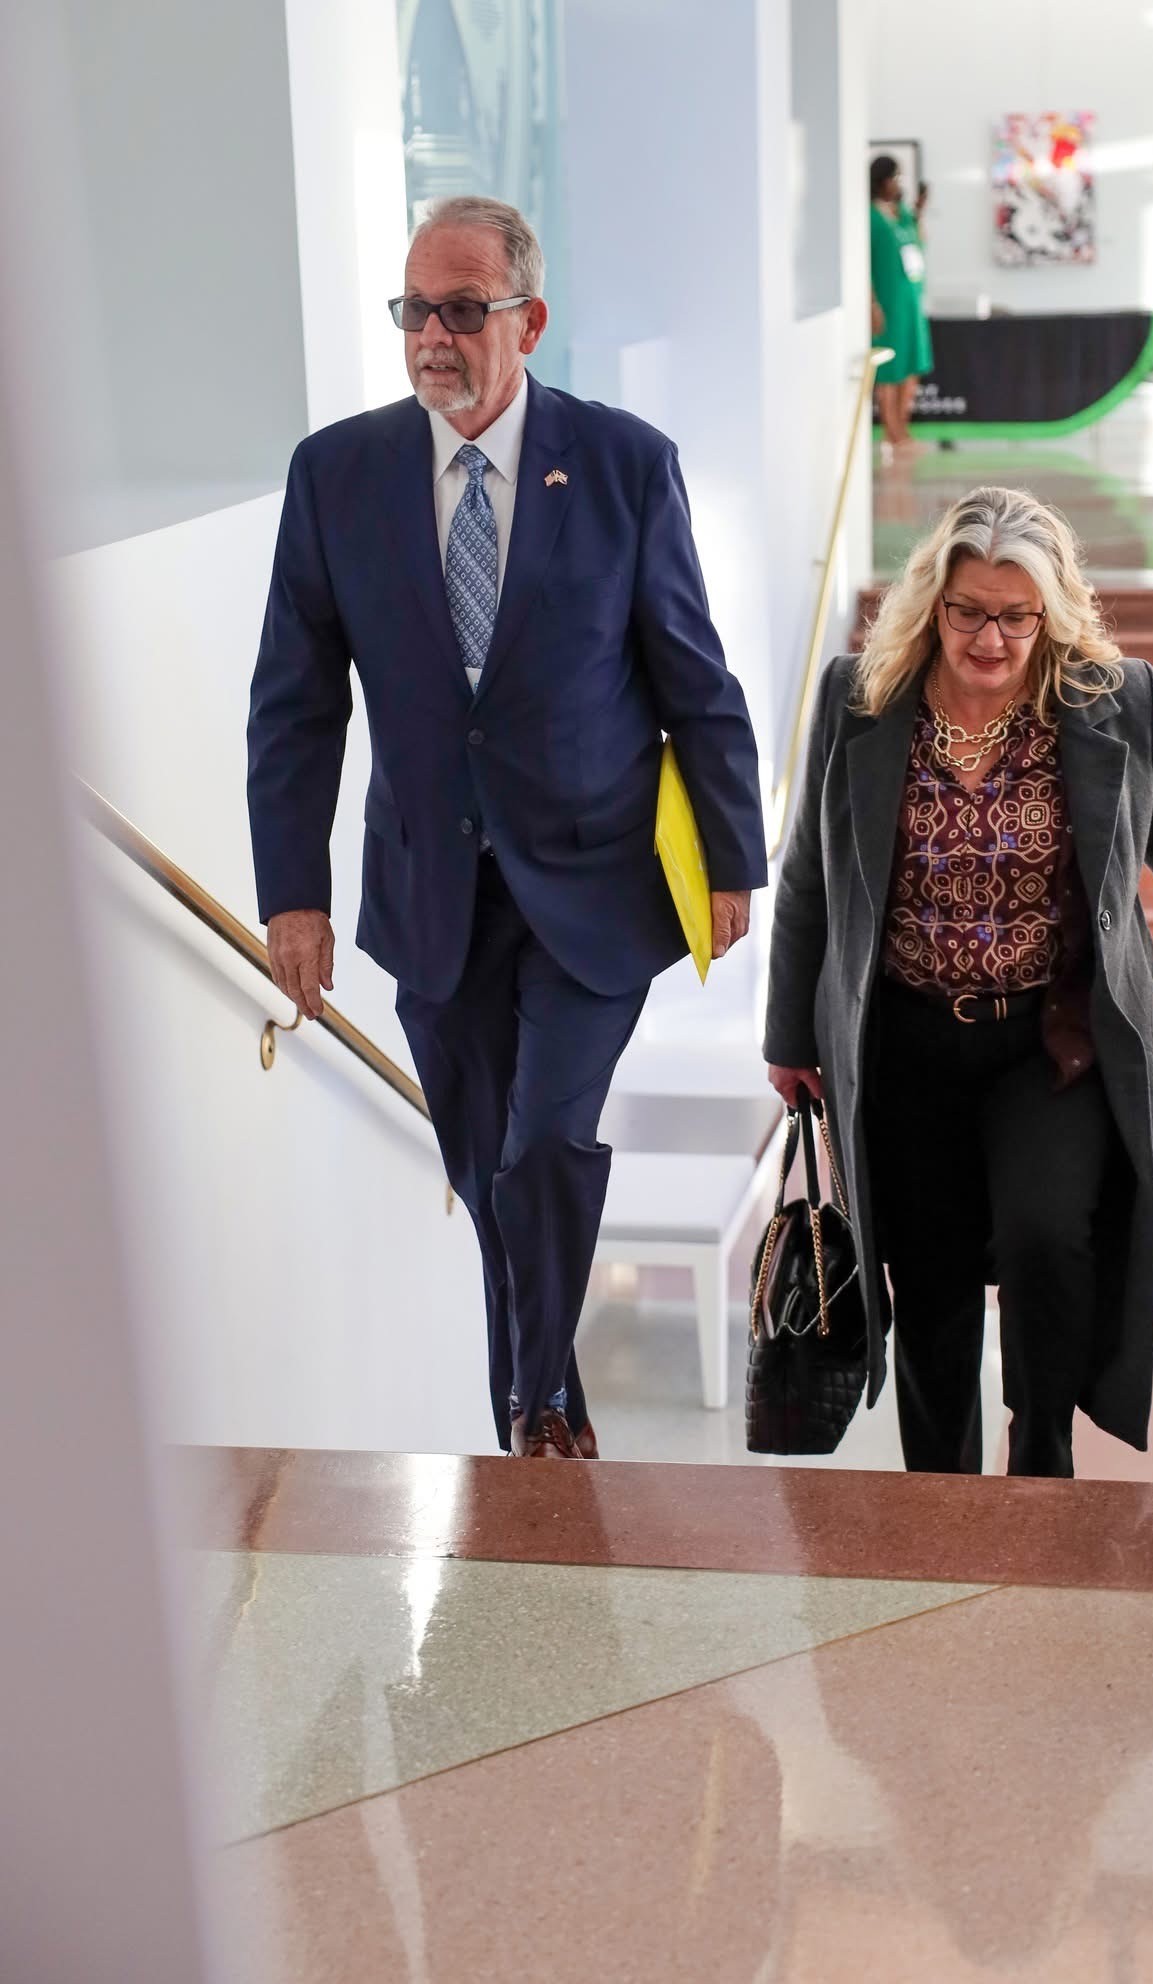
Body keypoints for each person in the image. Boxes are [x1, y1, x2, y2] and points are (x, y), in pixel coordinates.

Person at [248, 195, 767, 1459]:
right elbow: (297, 703)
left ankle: (535, 1409)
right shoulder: (336, 474)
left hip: (596, 887)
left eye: (462, 309)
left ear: (528, 322)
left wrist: (734, 854)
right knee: (486, 1176)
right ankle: (549, 1422)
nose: (433, 334)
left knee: (543, 1144)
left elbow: (693, 672)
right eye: (415, 309)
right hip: (431, 892)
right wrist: (294, 895)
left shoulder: (624, 463)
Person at [764, 487, 1153, 1479]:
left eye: (1017, 616)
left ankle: (1041, 1455)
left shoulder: (1108, 700)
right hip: (906, 1042)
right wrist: (788, 1037)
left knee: (1047, 1239)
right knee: (927, 1276)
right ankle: (939, 1489)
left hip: (1047, 1042)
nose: (992, 637)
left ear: (1050, 613)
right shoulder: (860, 699)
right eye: (970, 611)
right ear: (933, 602)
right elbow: (809, 873)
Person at [869, 155, 934, 452]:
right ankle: (891, 432)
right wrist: (872, 304)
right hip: (888, 303)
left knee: (912, 365)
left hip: (911, 300)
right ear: (882, 180)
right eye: (894, 178)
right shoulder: (870, 217)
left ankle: (903, 430)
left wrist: (919, 211)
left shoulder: (904, 213)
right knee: (890, 369)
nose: (898, 184)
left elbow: (920, 244)